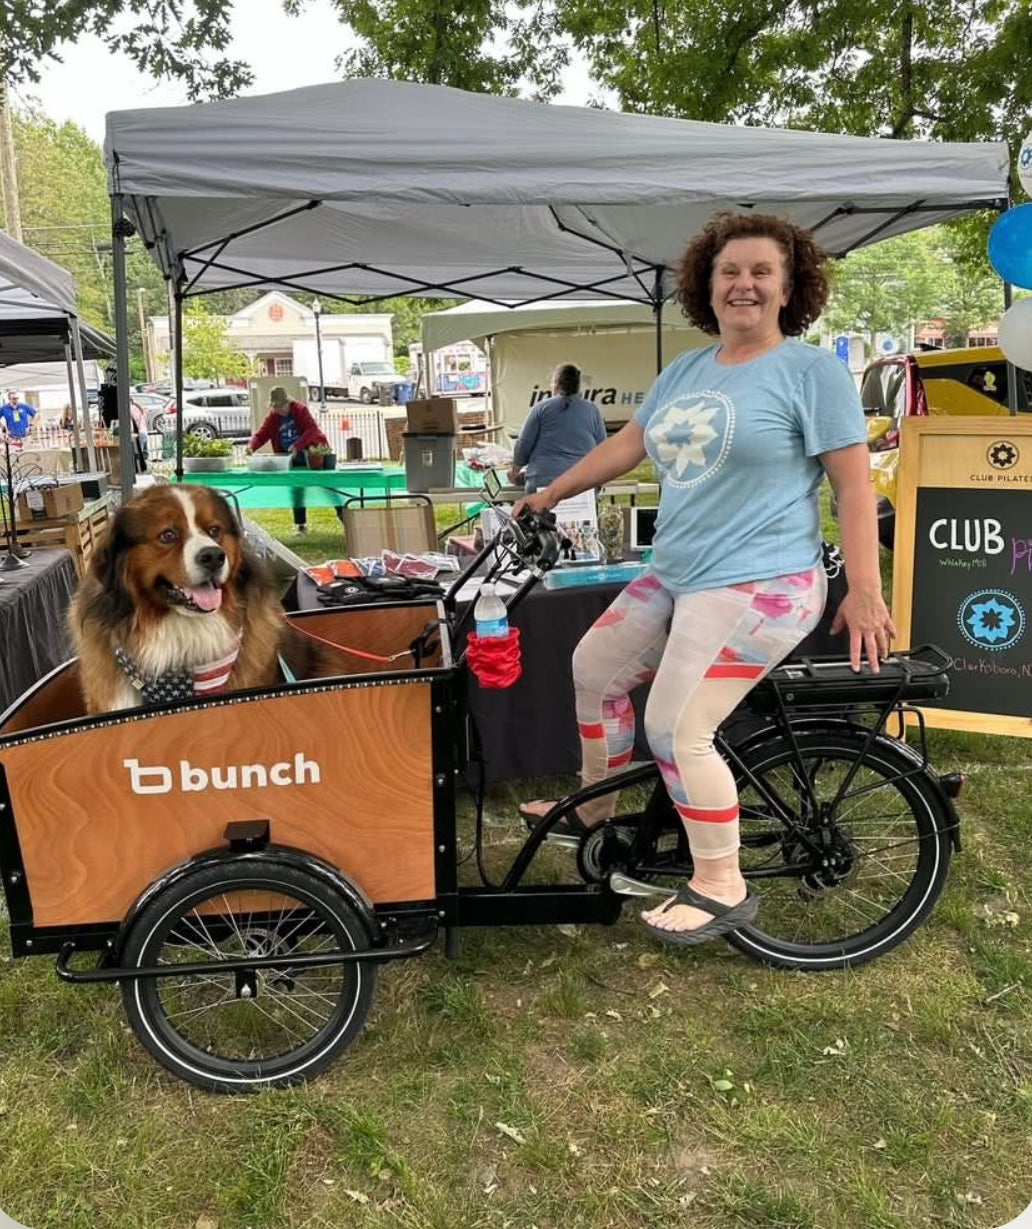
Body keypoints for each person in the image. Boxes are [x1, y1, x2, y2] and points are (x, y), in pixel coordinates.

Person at [515, 211, 894, 948]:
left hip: (760, 581)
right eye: (729, 272)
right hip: (678, 572)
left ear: (788, 288)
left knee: (677, 727)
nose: (742, 284)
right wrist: (551, 492)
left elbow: (852, 488)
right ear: (706, 285)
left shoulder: (810, 372)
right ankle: (594, 810)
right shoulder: (686, 370)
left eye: (760, 272)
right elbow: (628, 444)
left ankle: (721, 881)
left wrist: (867, 590)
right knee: (592, 668)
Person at [247, 386, 342, 533]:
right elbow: (261, 435)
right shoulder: (273, 416)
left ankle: (343, 517)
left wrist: (297, 445)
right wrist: (251, 447)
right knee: (296, 488)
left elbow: (312, 429)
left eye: (279, 406)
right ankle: (300, 525)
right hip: (292, 459)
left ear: (287, 403)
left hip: (313, 454)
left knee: (328, 485)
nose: (277, 410)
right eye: (275, 407)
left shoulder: (300, 409)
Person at [508, 363, 606, 492]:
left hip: (543, 480)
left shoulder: (541, 408)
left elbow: (524, 442)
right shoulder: (592, 410)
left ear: (556, 384)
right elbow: (603, 447)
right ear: (578, 386)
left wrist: (515, 470)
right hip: (582, 482)